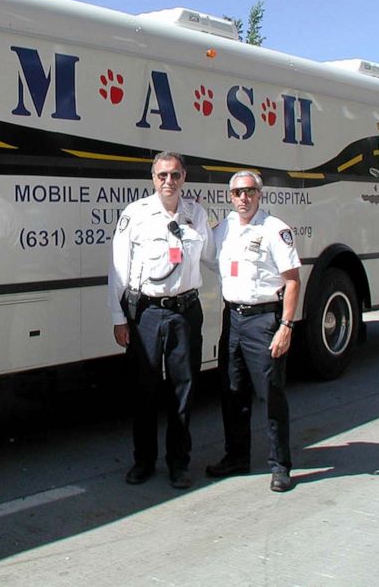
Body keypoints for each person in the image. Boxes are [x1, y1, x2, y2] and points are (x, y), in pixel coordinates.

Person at [108, 152, 213, 489]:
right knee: (144, 390)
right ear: (153, 178)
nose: (169, 181)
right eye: (162, 175)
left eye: (175, 175)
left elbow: (213, 257)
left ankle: (179, 463)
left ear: (184, 178)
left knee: (184, 390)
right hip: (147, 314)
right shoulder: (135, 215)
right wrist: (118, 317)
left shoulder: (196, 214)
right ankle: (143, 461)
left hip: (185, 312)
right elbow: (118, 269)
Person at [205, 169, 300, 492]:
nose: (243, 198)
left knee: (270, 395)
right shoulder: (224, 229)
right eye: (236, 193)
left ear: (260, 194)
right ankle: (236, 457)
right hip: (233, 319)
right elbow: (202, 255)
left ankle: (280, 465)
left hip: (264, 321)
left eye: (248, 192)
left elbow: (292, 281)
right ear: (229, 197)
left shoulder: (275, 230)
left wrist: (285, 326)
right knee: (232, 392)